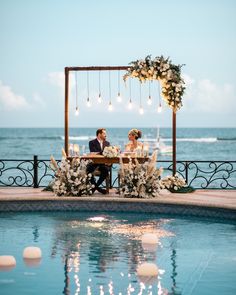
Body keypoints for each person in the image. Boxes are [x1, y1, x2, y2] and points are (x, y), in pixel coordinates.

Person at [87, 128, 110, 194]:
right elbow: (92, 152)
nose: (106, 135)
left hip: (103, 164)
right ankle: (99, 189)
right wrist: (101, 152)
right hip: (94, 163)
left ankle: (95, 188)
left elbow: (107, 154)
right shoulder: (92, 142)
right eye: (104, 134)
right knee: (88, 171)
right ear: (99, 134)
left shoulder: (107, 143)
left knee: (105, 171)